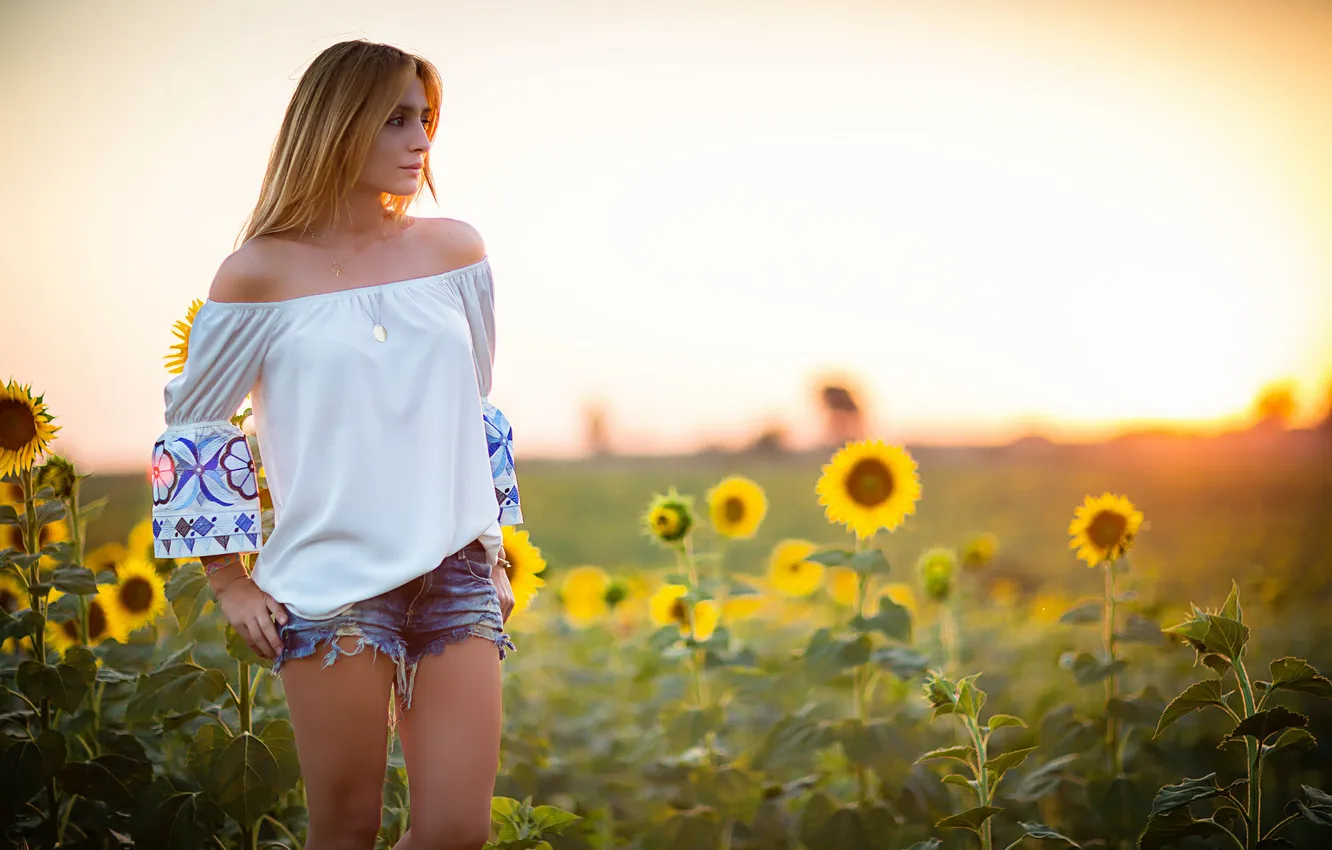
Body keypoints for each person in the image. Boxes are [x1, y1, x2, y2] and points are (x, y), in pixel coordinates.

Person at [147, 39, 523, 850]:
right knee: (346, 832)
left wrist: (494, 552)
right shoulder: (258, 274)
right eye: (394, 120)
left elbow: (475, 412)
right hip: (328, 588)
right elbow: (196, 429)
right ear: (334, 126)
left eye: (424, 119)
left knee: (460, 832)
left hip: (455, 570)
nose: (419, 140)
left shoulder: (456, 252)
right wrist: (227, 582)